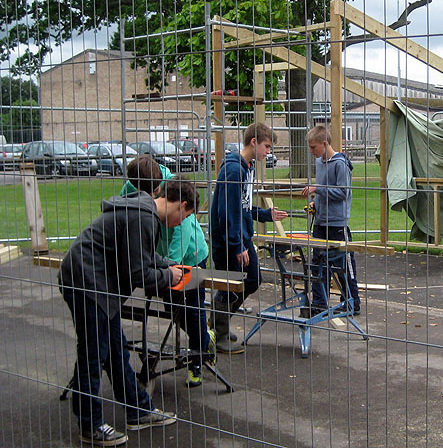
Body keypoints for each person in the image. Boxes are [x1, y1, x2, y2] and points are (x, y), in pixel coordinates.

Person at [59, 164, 197, 446]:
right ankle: (91, 425)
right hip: (86, 282)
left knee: (116, 351)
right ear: (181, 205)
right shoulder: (143, 218)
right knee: (93, 355)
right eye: (185, 217)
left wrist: (167, 264)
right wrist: (167, 276)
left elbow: (142, 257)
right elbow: (138, 274)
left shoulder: (144, 211)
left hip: (96, 283)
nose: (181, 223)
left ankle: (139, 410)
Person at [121, 156, 215, 387]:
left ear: (157, 187)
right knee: (173, 308)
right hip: (163, 257)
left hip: (190, 253)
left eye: (152, 193)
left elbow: (181, 233)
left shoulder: (173, 189)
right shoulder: (132, 186)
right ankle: (204, 336)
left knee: (193, 309)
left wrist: (170, 265)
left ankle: (197, 361)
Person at [210, 122, 288, 353]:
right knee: (233, 284)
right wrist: (237, 245)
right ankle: (218, 331)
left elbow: (242, 207)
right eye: (267, 146)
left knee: (250, 280)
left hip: (238, 237)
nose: (268, 152)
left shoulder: (246, 167)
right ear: (254, 142)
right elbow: (229, 212)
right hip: (228, 241)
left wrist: (265, 214)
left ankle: (216, 324)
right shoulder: (234, 170)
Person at [302, 125, 361, 316]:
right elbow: (323, 189)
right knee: (318, 263)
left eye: (314, 147)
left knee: (343, 264)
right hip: (320, 221)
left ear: (325, 143)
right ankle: (320, 303)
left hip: (337, 224)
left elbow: (343, 192)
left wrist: (317, 190)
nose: (312, 152)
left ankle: (352, 301)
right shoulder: (320, 162)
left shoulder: (340, 164)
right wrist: (316, 204)